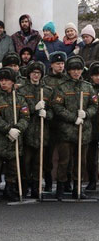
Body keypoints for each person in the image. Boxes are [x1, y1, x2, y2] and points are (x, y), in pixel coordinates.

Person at [52, 55, 97, 200]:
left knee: (81, 161)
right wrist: (73, 118)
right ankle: (60, 187)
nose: (76, 72)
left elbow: (94, 105)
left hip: (83, 131)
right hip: (66, 131)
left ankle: (78, 188)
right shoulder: (62, 87)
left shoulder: (87, 86)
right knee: (64, 161)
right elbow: (57, 107)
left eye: (78, 69)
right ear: (69, 71)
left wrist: (86, 114)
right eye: (73, 70)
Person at [0, 68, 30, 202]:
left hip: (15, 138)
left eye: (7, 80)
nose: (4, 83)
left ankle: (9, 189)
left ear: (13, 82)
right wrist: (8, 129)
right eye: (1, 81)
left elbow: (26, 116)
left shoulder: (20, 99)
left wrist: (17, 129)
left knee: (13, 167)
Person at [17, 62, 53, 198]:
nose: (36, 75)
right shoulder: (22, 90)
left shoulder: (48, 90)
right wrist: (34, 109)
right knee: (26, 162)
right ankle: (24, 186)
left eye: (38, 73)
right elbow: (20, 110)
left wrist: (46, 114)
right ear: (29, 74)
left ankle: (36, 187)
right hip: (27, 131)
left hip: (42, 132)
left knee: (39, 162)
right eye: (33, 72)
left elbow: (53, 112)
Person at [42, 51, 69, 193]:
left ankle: (65, 181)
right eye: (57, 63)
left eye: (62, 63)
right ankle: (48, 179)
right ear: (52, 64)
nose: (60, 66)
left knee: (65, 154)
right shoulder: (46, 80)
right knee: (48, 154)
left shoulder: (68, 79)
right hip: (49, 122)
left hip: (65, 122)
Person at [87, 62, 99, 191]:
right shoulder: (88, 88)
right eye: (95, 75)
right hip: (92, 127)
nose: (98, 78)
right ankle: (92, 181)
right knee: (91, 158)